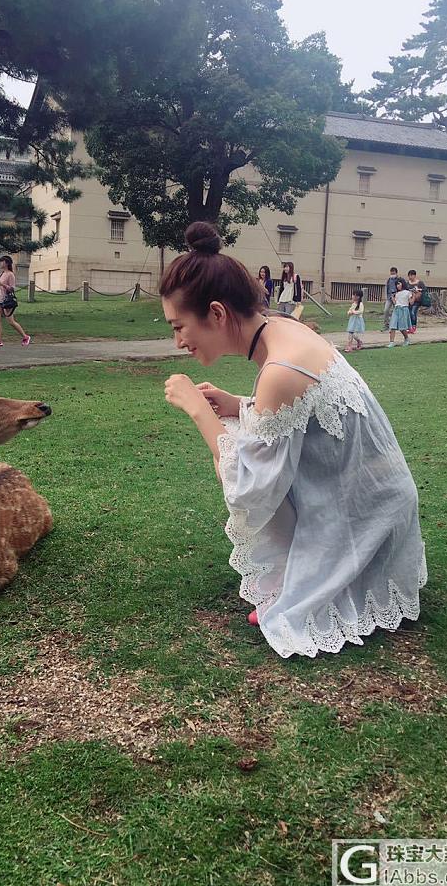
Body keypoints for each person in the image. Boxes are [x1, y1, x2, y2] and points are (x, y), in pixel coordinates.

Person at [161, 221, 426, 659]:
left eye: (178, 327)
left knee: (253, 474)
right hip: (379, 500)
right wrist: (236, 403)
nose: (177, 342)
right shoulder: (283, 331)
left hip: (367, 519)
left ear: (216, 313)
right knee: (246, 438)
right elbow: (300, 416)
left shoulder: (281, 368)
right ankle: (300, 575)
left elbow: (251, 488)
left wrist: (197, 409)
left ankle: (313, 584)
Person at [0, 255, 30, 347]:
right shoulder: (2, 273)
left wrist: (3, 285)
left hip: (7, 301)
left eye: (2, 261)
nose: (0, 263)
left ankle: (25, 336)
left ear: (7, 263)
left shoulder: (10, 274)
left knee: (10, 321)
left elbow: (12, 289)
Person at [388, 279, 413, 347]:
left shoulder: (408, 292)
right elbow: (395, 303)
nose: (398, 286)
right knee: (393, 326)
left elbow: (411, 302)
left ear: (402, 284)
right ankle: (391, 342)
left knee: (402, 327)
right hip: (396, 309)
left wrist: (413, 295)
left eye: (399, 284)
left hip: (404, 309)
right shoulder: (397, 293)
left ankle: (407, 339)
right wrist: (393, 298)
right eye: (397, 284)